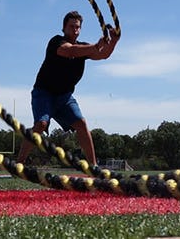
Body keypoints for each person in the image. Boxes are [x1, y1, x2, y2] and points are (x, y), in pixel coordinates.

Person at [17, 11, 120, 166]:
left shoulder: (84, 47)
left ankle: (94, 166)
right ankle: (19, 163)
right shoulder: (56, 42)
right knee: (41, 125)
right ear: (64, 28)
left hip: (64, 97)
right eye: (71, 26)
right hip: (44, 93)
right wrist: (96, 46)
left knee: (81, 123)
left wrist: (113, 41)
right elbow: (69, 50)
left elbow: (103, 55)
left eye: (78, 27)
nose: (75, 30)